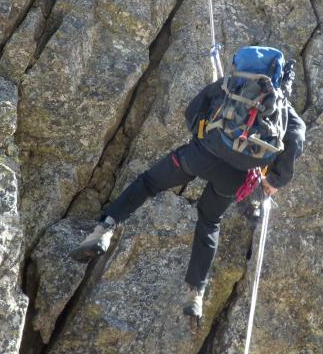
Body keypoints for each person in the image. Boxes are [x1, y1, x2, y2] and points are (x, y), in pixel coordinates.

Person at [71, 47, 306, 318]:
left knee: (148, 183)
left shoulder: (231, 86)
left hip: (198, 156)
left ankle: (103, 230)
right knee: (209, 222)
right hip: (233, 177)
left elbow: (194, 109)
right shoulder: (283, 109)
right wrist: (273, 181)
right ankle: (195, 294)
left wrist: (201, 137)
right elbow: (296, 141)